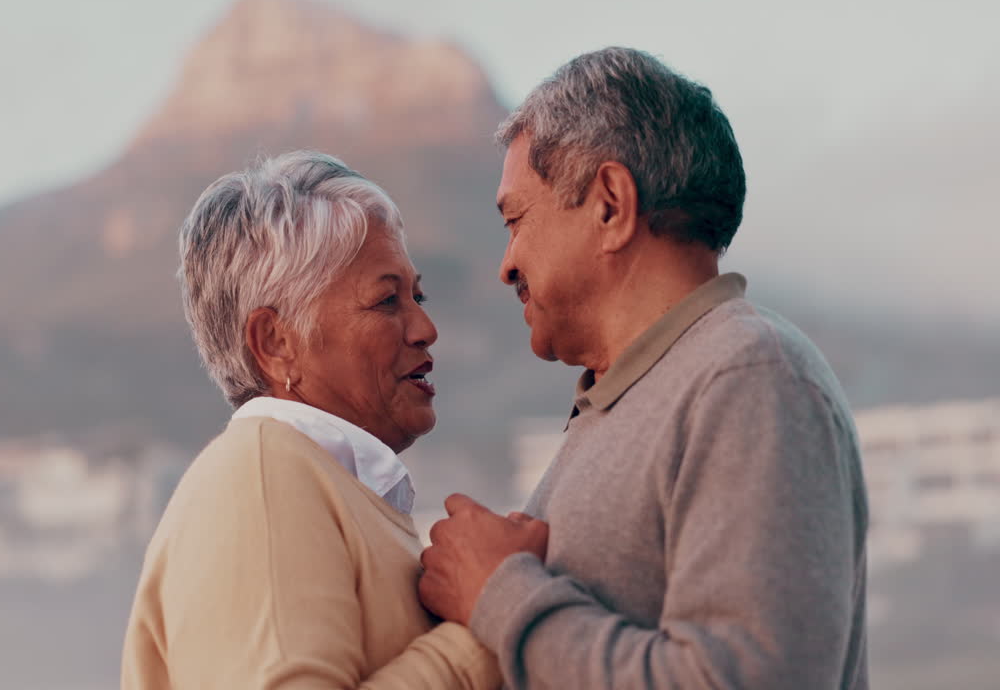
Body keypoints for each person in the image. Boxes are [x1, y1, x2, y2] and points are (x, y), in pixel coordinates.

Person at [418, 47, 869, 689]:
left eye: (516, 220)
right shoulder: (626, 402)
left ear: (609, 204)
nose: (506, 263)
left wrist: (502, 594)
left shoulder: (750, 380)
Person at [121, 151, 501, 689]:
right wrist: (480, 628)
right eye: (388, 301)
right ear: (276, 343)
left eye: (418, 295)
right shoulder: (262, 476)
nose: (425, 327)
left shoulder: (319, 483)